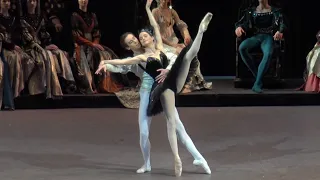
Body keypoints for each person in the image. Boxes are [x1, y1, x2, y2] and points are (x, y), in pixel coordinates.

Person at [96, 0, 212, 176]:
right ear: (128, 46)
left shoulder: (155, 47)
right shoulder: (138, 59)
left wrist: (147, 9)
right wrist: (106, 64)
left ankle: (200, 158)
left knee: (178, 126)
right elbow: (122, 65)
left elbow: (155, 29)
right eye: (132, 41)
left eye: (136, 38)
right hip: (147, 93)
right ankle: (147, 163)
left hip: (164, 87)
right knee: (144, 132)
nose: (136, 40)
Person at [152, 0, 212, 93]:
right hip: (162, 43)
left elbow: (181, 25)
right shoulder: (155, 11)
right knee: (180, 53)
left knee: (190, 53)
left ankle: (192, 82)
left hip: (173, 40)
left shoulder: (172, 11)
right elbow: (157, 32)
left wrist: (186, 35)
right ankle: (183, 83)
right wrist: (173, 45)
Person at [71, 0, 127, 94]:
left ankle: (106, 84)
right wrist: (91, 44)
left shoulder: (92, 15)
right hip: (81, 44)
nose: (83, 1)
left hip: (93, 44)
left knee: (107, 53)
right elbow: (76, 35)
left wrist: (95, 43)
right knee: (87, 58)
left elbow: (97, 32)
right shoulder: (75, 15)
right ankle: (90, 85)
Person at [235, 0, 286, 93]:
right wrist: (238, 27)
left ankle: (257, 83)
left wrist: (279, 31)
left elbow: (282, 24)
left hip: (268, 37)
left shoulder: (275, 11)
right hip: (256, 36)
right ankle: (258, 76)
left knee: (268, 53)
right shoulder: (251, 11)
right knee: (242, 48)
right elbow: (242, 23)